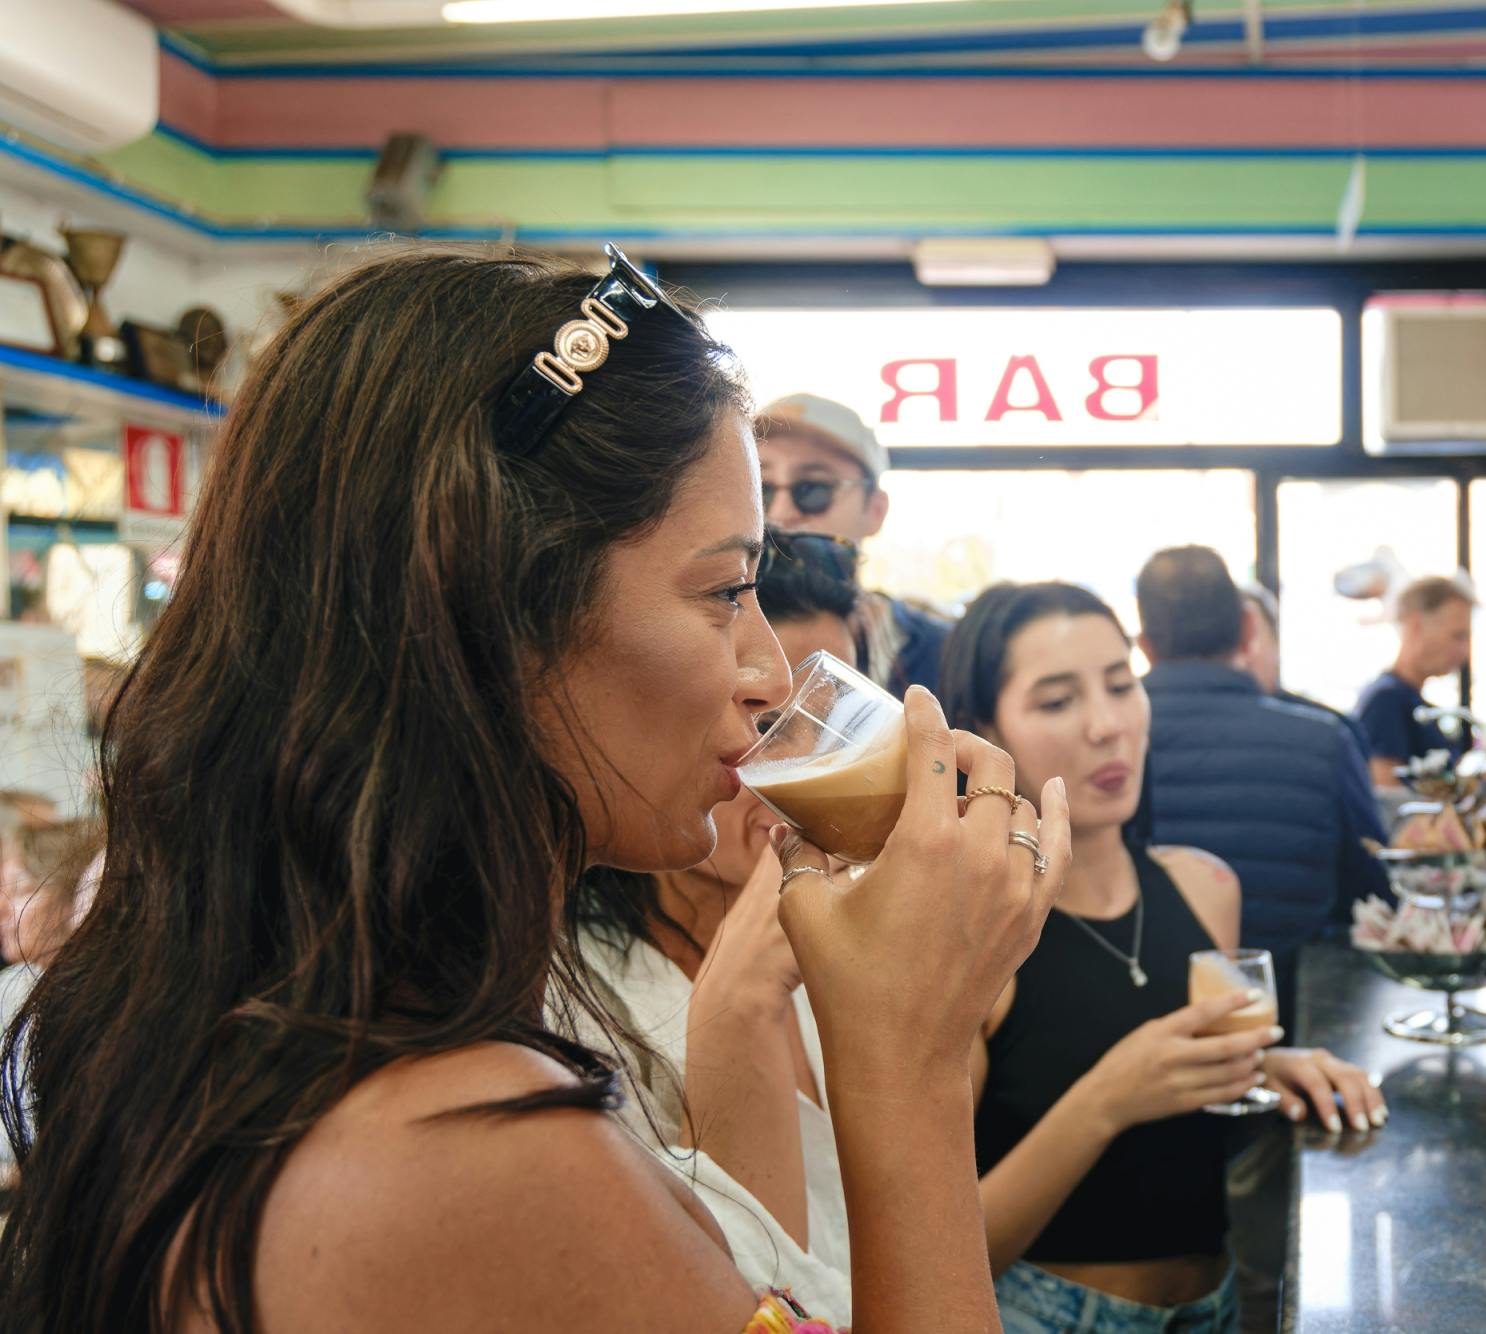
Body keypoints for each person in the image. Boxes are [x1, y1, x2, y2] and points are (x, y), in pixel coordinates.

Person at [0, 244, 1071, 1334]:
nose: (765, 671)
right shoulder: (466, 1149)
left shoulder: (297, 1028)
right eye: (724, 590)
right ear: (498, 609)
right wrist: (906, 1061)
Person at [939, 582, 1386, 1334]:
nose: (1107, 726)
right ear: (983, 734)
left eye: (1122, 685)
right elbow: (941, 1257)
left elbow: (1184, 1123)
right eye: (1058, 701)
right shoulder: (968, 937)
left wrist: (1263, 1068)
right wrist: (1107, 1100)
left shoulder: (1206, 887)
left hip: (1217, 1304)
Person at [572, 528, 865, 1320]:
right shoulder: (573, 1003)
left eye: (829, 726)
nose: (797, 769)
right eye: (768, 727)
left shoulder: (834, 934)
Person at [1133, 547, 1388, 1030]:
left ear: (1144, 644)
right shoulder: (1323, 739)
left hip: (1138, 1017)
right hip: (1290, 1018)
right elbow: (1374, 891)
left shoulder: (1108, 742)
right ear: (1250, 629)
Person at [756, 392, 952, 696]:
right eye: (760, 490)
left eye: (813, 489)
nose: (779, 513)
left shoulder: (949, 654)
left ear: (875, 510)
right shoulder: (711, 645)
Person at [1352, 576, 1476, 788]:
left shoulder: (1411, 701)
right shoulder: (1386, 701)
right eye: (1457, 636)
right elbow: (1387, 797)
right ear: (1415, 626)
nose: (1464, 651)